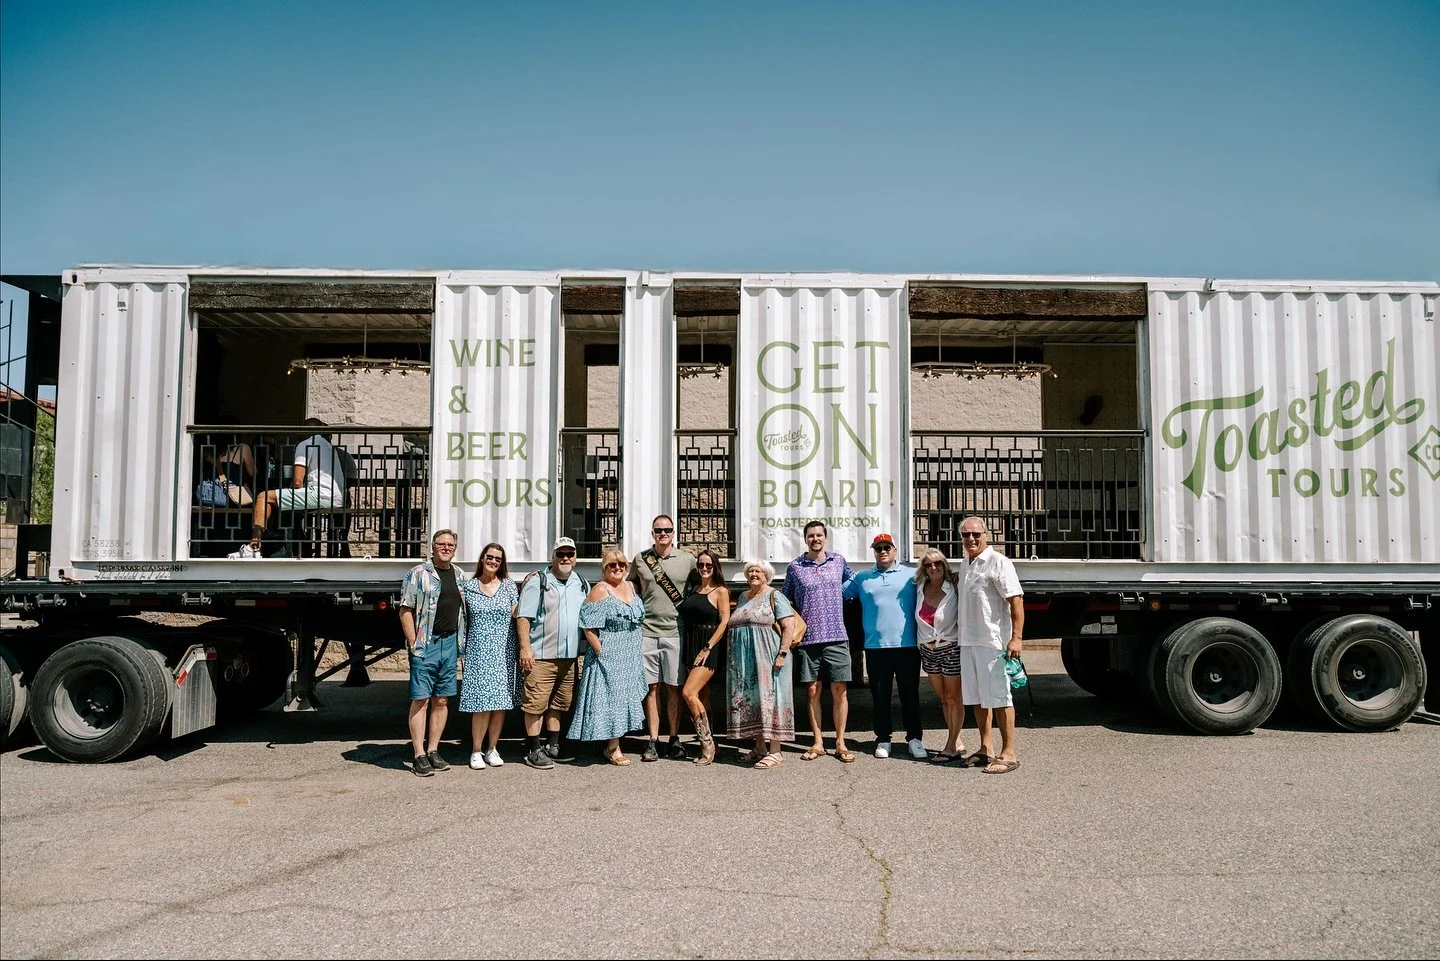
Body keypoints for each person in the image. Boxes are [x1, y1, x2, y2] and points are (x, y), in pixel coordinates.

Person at [781, 521, 857, 763]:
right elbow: (784, 600)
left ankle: (840, 742)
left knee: (840, 691)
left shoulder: (839, 562)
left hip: (836, 635)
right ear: (805, 539)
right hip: (808, 639)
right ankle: (817, 742)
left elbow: (856, 586)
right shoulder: (795, 567)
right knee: (812, 690)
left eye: (819, 535)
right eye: (811, 535)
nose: (815, 539)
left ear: (826, 537)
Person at [844, 532, 924, 759]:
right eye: (878, 548)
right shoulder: (862, 578)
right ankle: (883, 738)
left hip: (908, 646)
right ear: (874, 552)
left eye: (887, 547)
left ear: (895, 550)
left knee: (910, 694)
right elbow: (835, 594)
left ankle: (915, 739)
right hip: (876, 647)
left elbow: (936, 586)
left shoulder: (912, 575)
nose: (883, 551)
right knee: (880, 696)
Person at [956, 517, 1025, 774]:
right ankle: (986, 748)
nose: (971, 539)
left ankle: (1009, 753)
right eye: (965, 535)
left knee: (999, 697)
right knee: (977, 698)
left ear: (986, 534)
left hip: (993, 643)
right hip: (969, 642)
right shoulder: (965, 564)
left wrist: (1016, 638)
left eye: (976, 534)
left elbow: (1016, 602)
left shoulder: (999, 562)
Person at [568, 548, 648, 765]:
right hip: (609, 651)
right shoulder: (600, 590)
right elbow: (587, 627)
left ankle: (616, 742)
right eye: (612, 565)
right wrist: (601, 652)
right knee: (612, 699)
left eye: (621, 564)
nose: (617, 568)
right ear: (604, 568)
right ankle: (613, 748)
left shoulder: (630, 586)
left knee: (624, 698)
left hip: (630, 651)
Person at [515, 536, 589, 769]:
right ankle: (534, 748)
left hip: (568, 658)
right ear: (553, 557)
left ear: (576, 558)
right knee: (536, 703)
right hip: (541, 656)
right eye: (561, 554)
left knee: (559, 703)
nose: (565, 558)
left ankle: (552, 745)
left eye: (570, 554)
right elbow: (523, 617)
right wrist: (525, 648)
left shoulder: (581, 582)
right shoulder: (539, 580)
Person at [398, 530, 468, 777]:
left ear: (455, 548)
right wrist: (413, 643)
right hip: (425, 643)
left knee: (442, 699)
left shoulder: (460, 576)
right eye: (441, 544)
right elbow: (405, 610)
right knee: (421, 699)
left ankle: (434, 750)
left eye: (450, 544)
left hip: (450, 642)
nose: (446, 548)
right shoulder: (418, 574)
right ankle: (418, 754)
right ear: (433, 547)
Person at [627, 514, 696, 761]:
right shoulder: (641, 558)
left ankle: (674, 738)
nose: (663, 534)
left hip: (675, 632)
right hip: (647, 631)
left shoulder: (688, 560)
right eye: (658, 530)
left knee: (674, 688)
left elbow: (701, 586)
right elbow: (630, 586)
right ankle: (653, 740)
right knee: (651, 688)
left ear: (673, 533)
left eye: (667, 530)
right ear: (652, 532)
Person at [726, 559, 800, 769]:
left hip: (769, 656)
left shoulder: (775, 595)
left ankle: (776, 751)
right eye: (750, 572)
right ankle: (760, 747)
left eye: (757, 571)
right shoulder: (743, 596)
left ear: (766, 575)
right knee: (756, 701)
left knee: (772, 700)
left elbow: (789, 625)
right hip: (746, 661)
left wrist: (782, 654)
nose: (753, 575)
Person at [458, 542, 519, 770]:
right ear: (482, 559)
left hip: (504, 651)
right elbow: (461, 619)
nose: (494, 561)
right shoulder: (469, 587)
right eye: (490, 557)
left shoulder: (509, 586)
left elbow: (518, 614)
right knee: (481, 703)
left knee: (500, 703)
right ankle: (476, 750)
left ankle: (492, 748)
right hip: (479, 651)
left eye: (498, 559)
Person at [246, 418, 347, 555]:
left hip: (320, 494)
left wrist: (289, 489)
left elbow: (297, 482)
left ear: (304, 431)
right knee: (279, 503)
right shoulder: (329, 447)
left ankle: (254, 544)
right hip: (338, 497)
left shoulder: (305, 444)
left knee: (263, 497)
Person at [678, 550, 730, 765]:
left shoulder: (721, 591)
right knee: (702, 696)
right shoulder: (694, 589)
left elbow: (724, 621)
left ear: (715, 567)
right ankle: (712, 744)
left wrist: (708, 647)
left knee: (689, 693)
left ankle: (706, 743)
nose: (704, 568)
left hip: (707, 645)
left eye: (709, 565)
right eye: (701, 564)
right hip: (691, 643)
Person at [915, 548, 966, 763]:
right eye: (928, 564)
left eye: (937, 563)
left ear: (944, 565)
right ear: (924, 569)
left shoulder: (954, 586)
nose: (933, 567)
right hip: (928, 650)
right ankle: (958, 739)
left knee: (955, 697)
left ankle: (951, 746)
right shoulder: (919, 588)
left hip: (950, 648)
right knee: (944, 698)